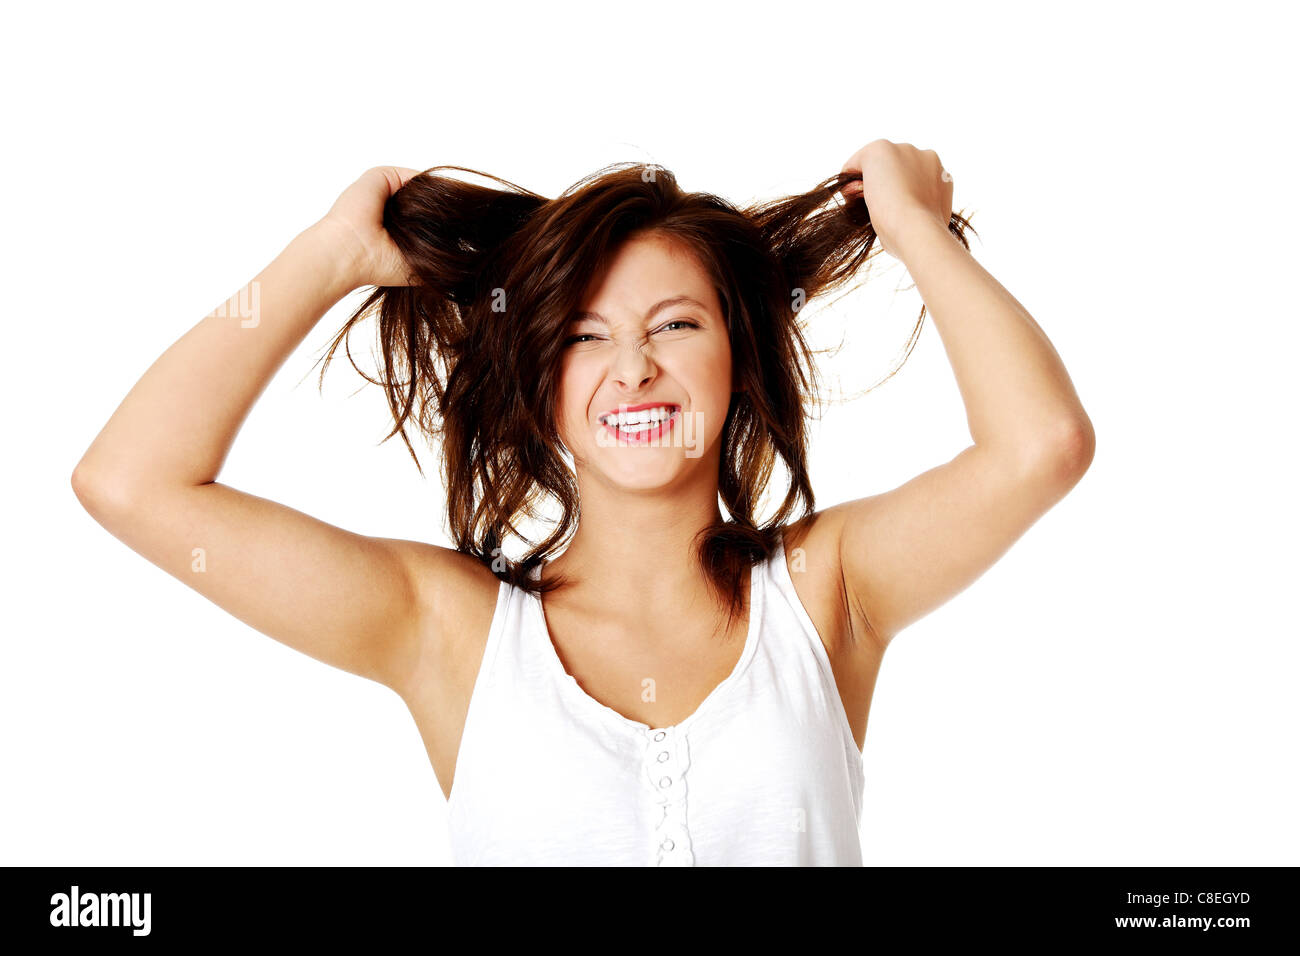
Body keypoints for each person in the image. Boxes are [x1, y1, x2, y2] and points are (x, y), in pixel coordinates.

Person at [71, 142, 1095, 866]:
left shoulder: (830, 591)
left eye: (676, 324)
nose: (635, 369)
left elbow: (1040, 444)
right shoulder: (448, 629)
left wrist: (914, 230)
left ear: (738, 360)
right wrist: (329, 255)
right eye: (584, 335)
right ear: (540, 381)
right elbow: (130, 482)